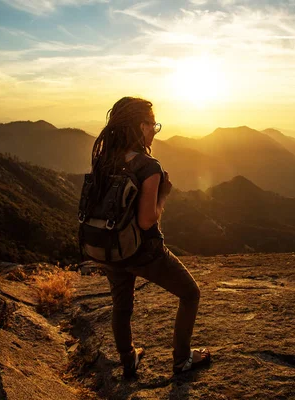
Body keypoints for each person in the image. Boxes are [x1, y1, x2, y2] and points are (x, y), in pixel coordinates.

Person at [82, 96, 211, 377]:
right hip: (144, 252)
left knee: (122, 305)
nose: (155, 130)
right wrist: (164, 194)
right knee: (190, 294)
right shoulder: (148, 166)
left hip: (109, 248)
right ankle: (181, 359)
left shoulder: (104, 160)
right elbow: (147, 219)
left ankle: (129, 360)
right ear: (140, 126)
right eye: (153, 124)